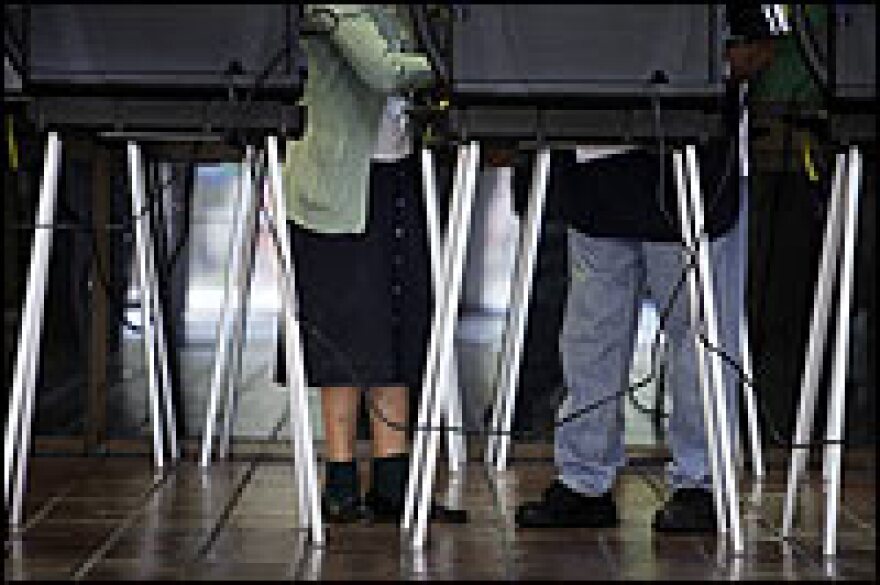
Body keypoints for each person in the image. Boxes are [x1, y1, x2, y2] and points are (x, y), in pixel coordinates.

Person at [514, 11, 776, 532]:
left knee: (698, 341)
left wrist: (701, 67)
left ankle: (701, 482)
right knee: (590, 337)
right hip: (598, 166)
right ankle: (584, 480)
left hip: (693, 169)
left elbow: (760, 46)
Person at [277, 4, 436, 523]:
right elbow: (383, 70)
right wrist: (451, 65)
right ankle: (340, 481)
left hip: (394, 177)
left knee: (395, 328)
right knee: (341, 337)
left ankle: (394, 482)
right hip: (337, 192)